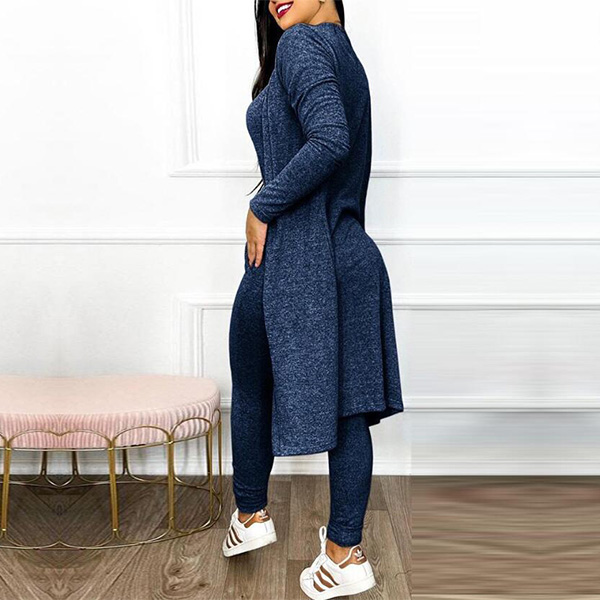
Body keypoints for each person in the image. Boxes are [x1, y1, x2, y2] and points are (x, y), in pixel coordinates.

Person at [225, 1, 404, 598]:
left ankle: (251, 514)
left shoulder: (302, 45)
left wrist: (261, 206)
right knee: (348, 406)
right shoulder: (345, 54)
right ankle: (344, 552)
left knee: (251, 377)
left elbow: (329, 140)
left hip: (301, 253)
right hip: (349, 255)